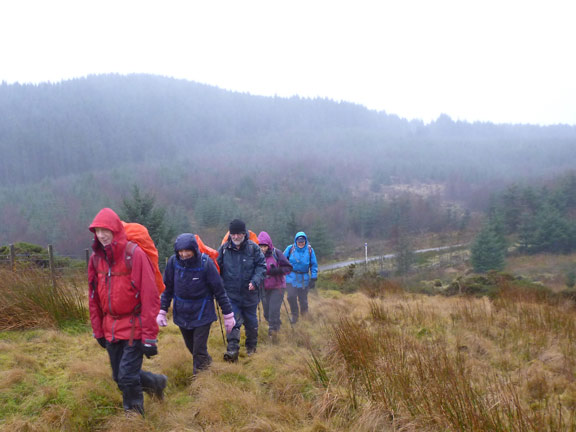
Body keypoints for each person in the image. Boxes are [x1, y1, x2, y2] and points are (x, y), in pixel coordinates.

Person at [88, 208, 167, 416]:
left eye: (105, 230)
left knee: (127, 378)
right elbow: (93, 298)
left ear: (115, 230)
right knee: (118, 377)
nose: (102, 235)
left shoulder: (135, 254)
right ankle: (156, 383)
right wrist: (97, 330)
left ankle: (133, 419)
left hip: (135, 326)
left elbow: (150, 297)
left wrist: (150, 337)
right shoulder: (96, 259)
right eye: (97, 230)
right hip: (110, 327)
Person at [156, 233, 236, 374]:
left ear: (194, 249)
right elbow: (168, 289)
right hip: (182, 313)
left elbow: (219, 291)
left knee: (198, 350)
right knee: (192, 347)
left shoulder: (206, 263)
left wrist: (228, 315)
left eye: (187, 250)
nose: (184, 254)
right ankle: (208, 365)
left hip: (202, 313)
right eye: (181, 251)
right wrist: (162, 310)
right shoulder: (173, 263)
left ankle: (200, 383)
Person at [217, 219, 266, 361]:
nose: (236, 237)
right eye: (233, 234)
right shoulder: (224, 250)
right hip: (231, 295)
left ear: (244, 234)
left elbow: (261, 267)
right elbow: (216, 269)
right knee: (233, 322)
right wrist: (218, 287)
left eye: (239, 233)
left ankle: (251, 347)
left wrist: (255, 282)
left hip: (250, 294)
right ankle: (232, 351)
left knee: (251, 323)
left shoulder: (253, 248)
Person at [257, 231, 292, 341]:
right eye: (260, 246)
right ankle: (276, 323)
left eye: (264, 246)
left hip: (278, 287)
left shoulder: (276, 253)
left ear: (269, 245)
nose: (262, 249)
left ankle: (273, 334)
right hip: (264, 288)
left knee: (273, 311)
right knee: (266, 313)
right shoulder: (256, 256)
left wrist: (277, 271)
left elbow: (288, 267)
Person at [283, 231, 318, 324]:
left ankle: (305, 315)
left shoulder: (310, 250)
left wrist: (314, 278)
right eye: (299, 242)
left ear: (305, 241)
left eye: (303, 242)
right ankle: (294, 315)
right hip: (291, 277)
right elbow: (282, 260)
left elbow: (314, 265)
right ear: (296, 241)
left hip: (304, 279)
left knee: (303, 299)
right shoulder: (290, 249)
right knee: (291, 297)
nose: (301, 243)